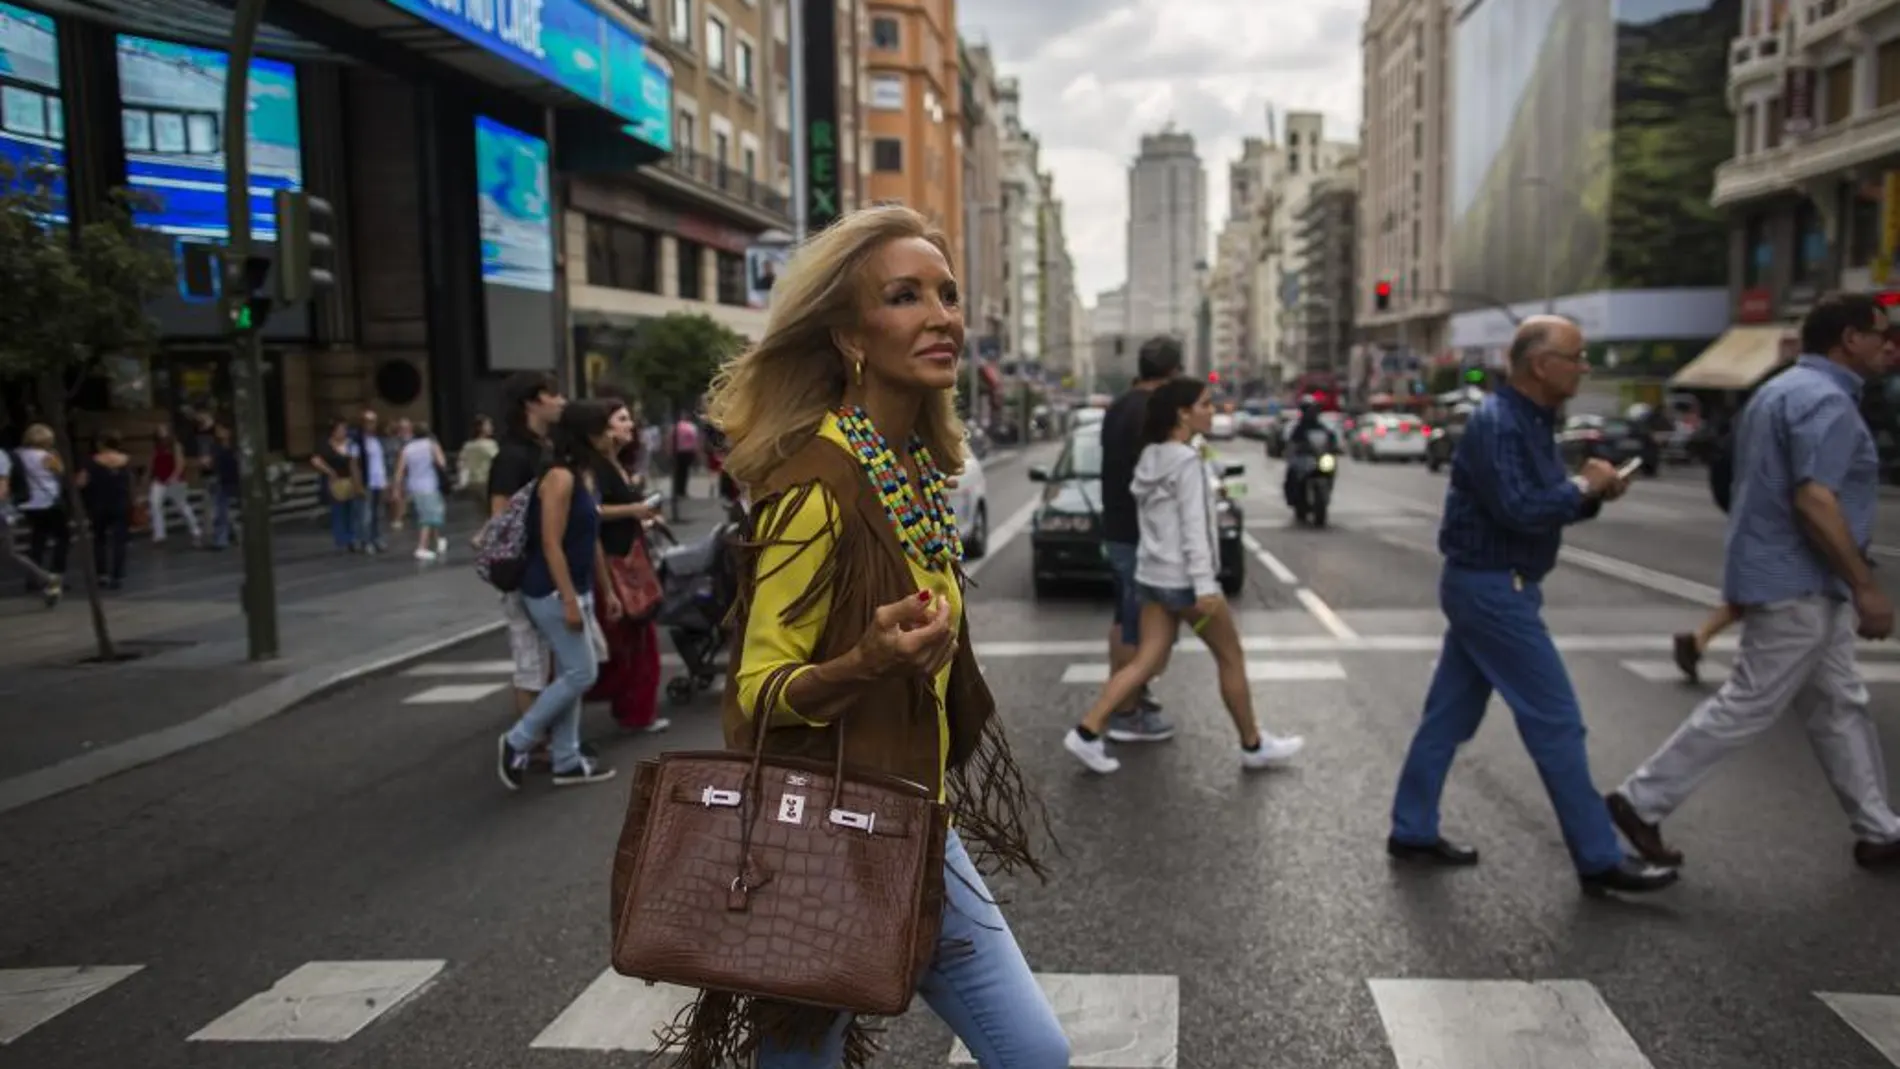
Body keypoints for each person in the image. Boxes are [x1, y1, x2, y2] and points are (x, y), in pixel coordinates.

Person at [659, 205, 1063, 1069]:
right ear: (848, 335)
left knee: (1035, 1052)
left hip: (916, 822)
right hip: (824, 840)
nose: (941, 316)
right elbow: (753, 698)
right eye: (906, 296)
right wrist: (864, 663)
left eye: (947, 295)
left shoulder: (915, 470)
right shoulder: (816, 487)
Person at [1386, 315, 1678, 896]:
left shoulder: (1532, 421)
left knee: (1449, 716)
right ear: (1541, 365)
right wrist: (1583, 488)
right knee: (1557, 722)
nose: (1584, 367)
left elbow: (1544, 503)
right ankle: (1598, 856)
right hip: (1494, 589)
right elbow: (1520, 507)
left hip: (1493, 584)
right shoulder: (1499, 424)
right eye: (1576, 357)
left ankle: (1412, 828)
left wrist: (1592, 493)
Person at [1609, 292, 1900, 872]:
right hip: (1800, 581)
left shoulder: (1780, 390)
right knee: (1752, 700)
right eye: (1881, 335)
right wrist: (1865, 585)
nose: (1889, 346)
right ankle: (1642, 799)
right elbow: (1814, 498)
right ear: (1849, 339)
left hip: (1789, 576)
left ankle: (1879, 828)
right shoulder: (1827, 403)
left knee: (1839, 701)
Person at [1063, 376, 1306, 774]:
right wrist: (1206, 585)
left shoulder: (1151, 457)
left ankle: (1087, 732)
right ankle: (1253, 744)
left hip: (1154, 576)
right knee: (1231, 657)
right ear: (1183, 413)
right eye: (1206, 404)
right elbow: (1194, 529)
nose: (1213, 411)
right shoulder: (1186, 463)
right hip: (1188, 584)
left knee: (1144, 662)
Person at [495, 398, 621, 790]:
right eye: (603, 428)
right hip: (549, 590)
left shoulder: (583, 474)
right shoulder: (560, 478)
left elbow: (589, 536)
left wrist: (605, 589)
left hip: (574, 587)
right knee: (583, 672)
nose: (610, 434)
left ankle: (567, 761)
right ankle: (518, 739)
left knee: (573, 672)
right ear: (586, 433)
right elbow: (550, 543)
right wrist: (567, 598)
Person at [1095, 336, 1184, 742]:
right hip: (1140, 533)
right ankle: (1125, 712)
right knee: (1136, 623)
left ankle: (1129, 694)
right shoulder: (1153, 412)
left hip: (1117, 528)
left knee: (1124, 617)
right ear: (1172, 373)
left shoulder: (1118, 406)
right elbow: (1156, 476)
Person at [486, 372, 568, 720]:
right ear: (531, 402)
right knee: (530, 661)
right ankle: (529, 745)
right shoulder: (511, 456)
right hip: (524, 570)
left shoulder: (545, 449)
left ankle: (542, 736)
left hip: (548, 567)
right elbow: (500, 518)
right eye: (553, 394)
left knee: (551, 658)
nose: (561, 401)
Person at [1281, 396, 1338, 508]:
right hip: (1303, 459)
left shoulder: (1322, 427)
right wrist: (1292, 450)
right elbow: (1291, 442)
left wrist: (1333, 447)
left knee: (1331, 469)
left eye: (1313, 410)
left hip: (1319, 458)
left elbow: (1330, 438)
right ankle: (1293, 497)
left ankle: (1327, 491)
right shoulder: (1298, 428)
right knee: (1292, 474)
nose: (1311, 413)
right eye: (1308, 410)